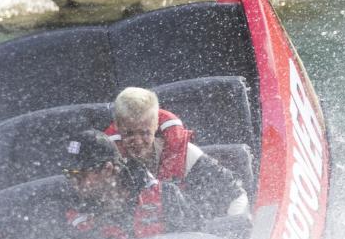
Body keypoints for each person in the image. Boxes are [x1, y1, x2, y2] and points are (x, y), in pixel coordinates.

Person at [105, 87, 249, 220]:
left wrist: (232, 227)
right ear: (117, 126)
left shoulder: (187, 155)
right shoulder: (108, 168)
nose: (137, 141)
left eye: (145, 132)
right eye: (129, 133)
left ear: (156, 125)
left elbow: (237, 196)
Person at [59, 129, 201, 239]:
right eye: (68, 174)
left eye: (80, 174)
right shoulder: (69, 212)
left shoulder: (165, 195)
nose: (73, 181)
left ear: (107, 169)